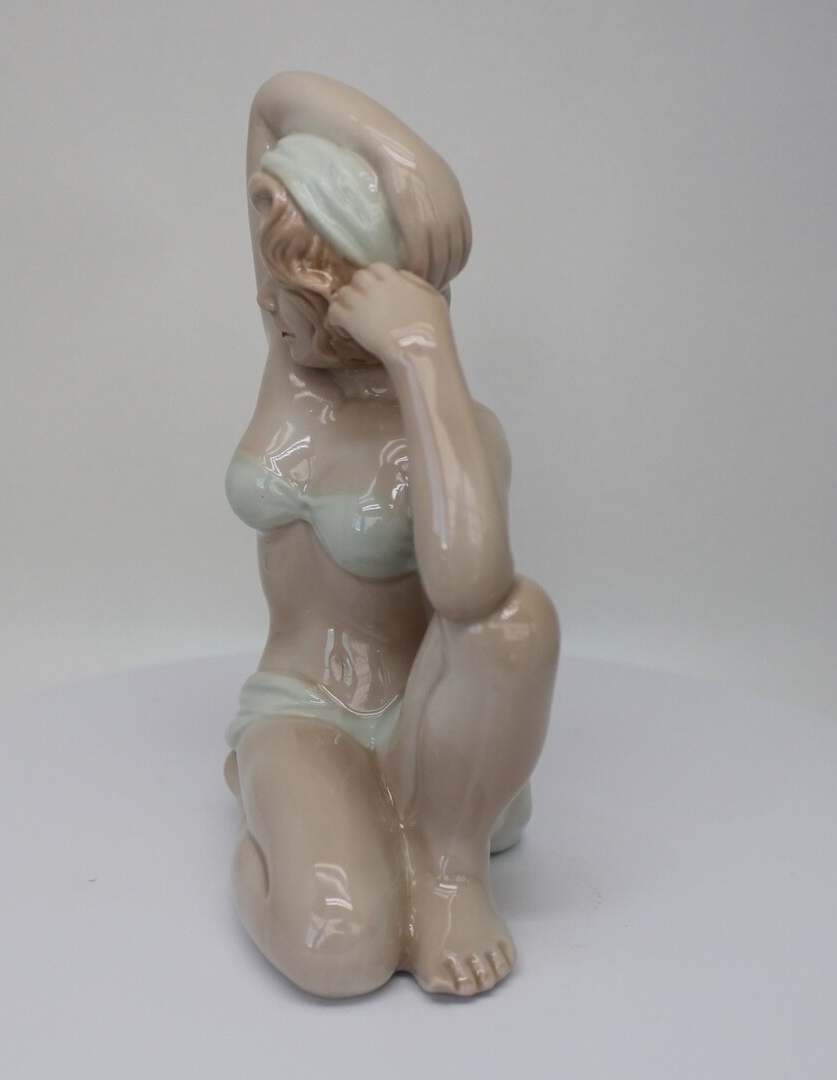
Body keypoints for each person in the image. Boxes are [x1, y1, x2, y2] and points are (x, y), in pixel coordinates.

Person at [224, 72, 560, 998]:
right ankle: (301, 812)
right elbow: (272, 106)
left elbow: (472, 598)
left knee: (518, 622)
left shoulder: (452, 423)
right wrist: (398, 154)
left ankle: (449, 866)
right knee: (339, 949)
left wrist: (421, 357)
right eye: (273, 288)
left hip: (426, 729)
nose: (273, 308)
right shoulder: (291, 367)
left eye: (303, 301)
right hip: (304, 708)